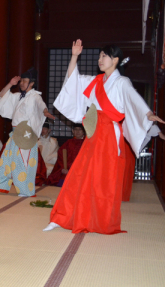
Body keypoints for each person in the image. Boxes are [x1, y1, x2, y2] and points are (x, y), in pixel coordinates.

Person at [43, 40, 164, 234]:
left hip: (108, 135)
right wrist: (74, 56)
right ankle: (62, 217)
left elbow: (134, 99)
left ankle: (96, 219)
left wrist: (148, 114)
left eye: (104, 56)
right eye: (99, 56)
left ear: (115, 60)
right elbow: (73, 80)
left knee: (101, 180)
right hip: (93, 133)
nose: (100, 59)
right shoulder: (97, 81)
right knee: (78, 175)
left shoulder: (122, 82)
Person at [0, 67, 55, 197]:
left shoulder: (35, 96)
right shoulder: (18, 96)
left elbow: (41, 105)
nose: (22, 84)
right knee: (5, 160)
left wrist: (45, 111)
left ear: (31, 83)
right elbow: (3, 95)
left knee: (22, 161)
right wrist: (10, 84)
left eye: (25, 81)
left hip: (26, 134)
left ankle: (25, 190)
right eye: (21, 81)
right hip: (15, 134)